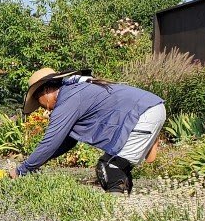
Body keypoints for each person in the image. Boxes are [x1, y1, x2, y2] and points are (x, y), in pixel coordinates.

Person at [9, 68, 166, 194]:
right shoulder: (73, 91)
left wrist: (23, 170)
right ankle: (124, 209)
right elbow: (66, 142)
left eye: (39, 102)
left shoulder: (68, 99)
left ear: (45, 91)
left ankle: (117, 216)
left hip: (144, 113)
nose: (41, 107)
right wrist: (35, 163)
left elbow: (51, 142)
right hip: (149, 108)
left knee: (109, 168)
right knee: (115, 165)